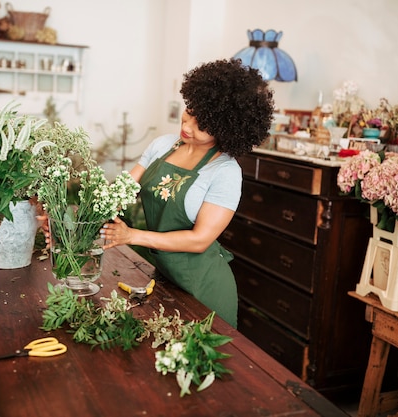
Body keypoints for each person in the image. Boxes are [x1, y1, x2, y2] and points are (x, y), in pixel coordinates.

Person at [99, 58, 275, 328]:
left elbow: (199, 240)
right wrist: (74, 219)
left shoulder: (224, 171)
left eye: (202, 125)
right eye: (190, 110)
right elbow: (119, 193)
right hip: (165, 276)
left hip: (204, 287)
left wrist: (132, 235)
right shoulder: (163, 145)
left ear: (226, 129)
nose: (188, 125)